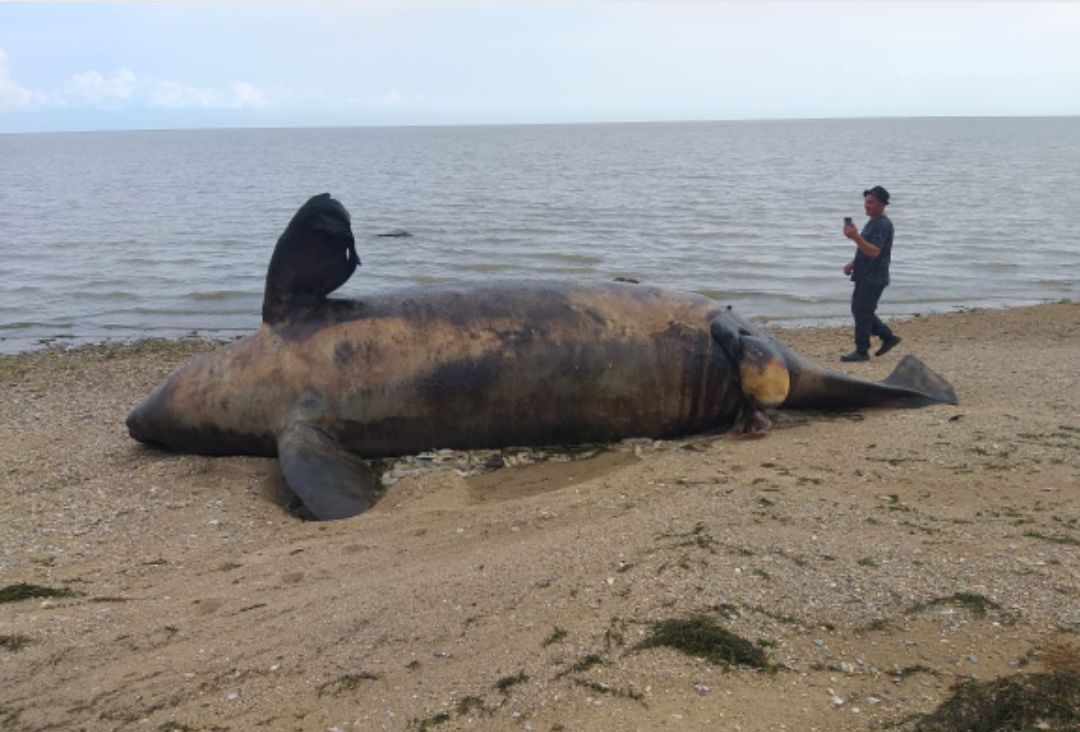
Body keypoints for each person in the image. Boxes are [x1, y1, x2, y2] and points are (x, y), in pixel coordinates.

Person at [840, 185, 902, 362]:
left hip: (874, 277)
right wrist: (852, 263)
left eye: (871, 202)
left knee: (862, 311)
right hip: (864, 274)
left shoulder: (883, 224)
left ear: (882, 204)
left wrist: (855, 237)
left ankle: (862, 351)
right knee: (861, 310)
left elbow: (875, 251)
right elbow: (867, 249)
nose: (867, 205)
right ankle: (887, 337)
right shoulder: (873, 222)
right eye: (866, 202)